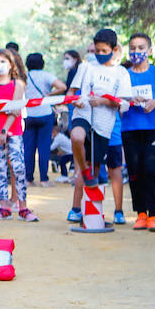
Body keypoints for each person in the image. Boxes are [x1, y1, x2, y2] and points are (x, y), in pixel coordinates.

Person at [67, 29, 131, 224]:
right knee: (76, 137)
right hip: (83, 114)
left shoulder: (121, 73)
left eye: (104, 50)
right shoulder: (85, 67)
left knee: (93, 172)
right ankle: (77, 200)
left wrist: (103, 101)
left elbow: (124, 103)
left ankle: (87, 212)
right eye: (97, 51)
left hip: (104, 124)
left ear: (115, 49)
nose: (100, 54)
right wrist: (75, 101)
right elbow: (71, 93)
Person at [121, 33, 155, 232]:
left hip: (152, 129)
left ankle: (154, 215)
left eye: (141, 48)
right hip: (129, 128)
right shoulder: (124, 74)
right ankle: (140, 213)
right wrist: (127, 100)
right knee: (134, 171)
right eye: (133, 48)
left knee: (151, 170)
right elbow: (117, 99)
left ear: (149, 51)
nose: (136, 52)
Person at [0, 48, 36, 221]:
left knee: (18, 167)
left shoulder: (18, 84)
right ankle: (4, 206)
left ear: (11, 64)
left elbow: (15, 110)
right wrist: (5, 109)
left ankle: (23, 207)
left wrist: (5, 129)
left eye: (3, 62)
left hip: (12, 131)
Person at [22, 52, 65, 187]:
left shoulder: (24, 78)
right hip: (45, 113)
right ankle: (44, 179)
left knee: (28, 148)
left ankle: (28, 179)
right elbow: (62, 87)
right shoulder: (47, 75)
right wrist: (49, 95)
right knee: (44, 148)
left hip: (28, 114)